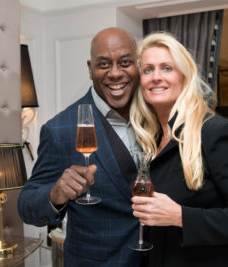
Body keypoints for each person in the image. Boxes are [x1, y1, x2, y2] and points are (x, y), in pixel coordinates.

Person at [18, 27, 143, 266]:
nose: (115, 73)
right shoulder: (60, 129)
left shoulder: (158, 114)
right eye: (104, 64)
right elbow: (26, 205)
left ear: (137, 64)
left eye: (125, 62)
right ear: (90, 68)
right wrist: (55, 194)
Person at [130, 32, 228, 267]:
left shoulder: (217, 131)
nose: (156, 77)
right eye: (148, 70)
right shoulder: (150, 139)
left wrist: (180, 216)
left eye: (166, 68)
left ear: (184, 76)